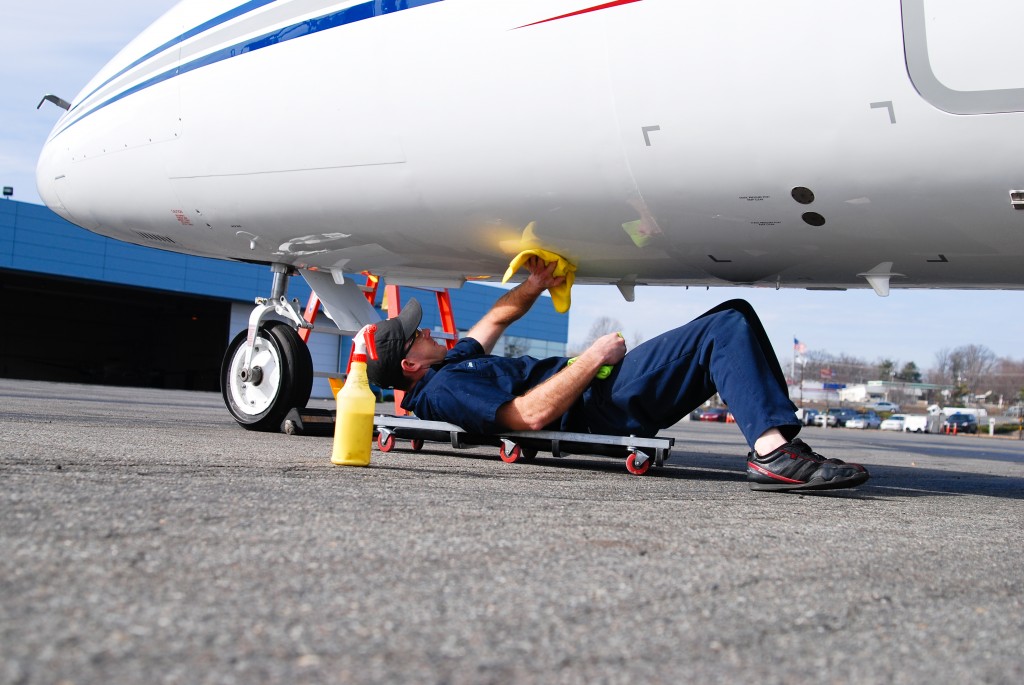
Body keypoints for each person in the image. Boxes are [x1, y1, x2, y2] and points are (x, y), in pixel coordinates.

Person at [366, 257, 869, 492]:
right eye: (417, 334)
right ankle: (771, 454)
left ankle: (778, 441)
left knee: (733, 312)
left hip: (602, 385)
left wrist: (535, 283)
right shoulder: (448, 388)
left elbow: (496, 316)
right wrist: (590, 358)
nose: (427, 327)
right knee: (724, 328)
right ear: (411, 365)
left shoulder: (450, 362)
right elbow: (528, 415)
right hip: (599, 403)